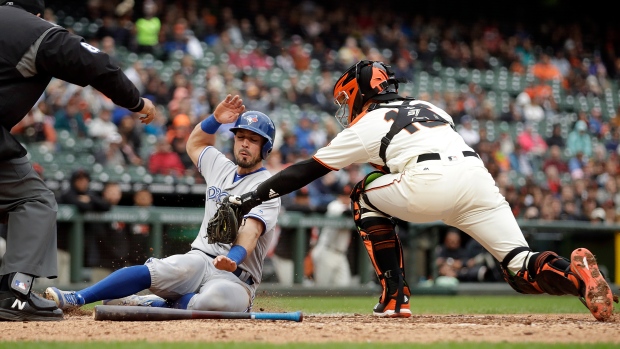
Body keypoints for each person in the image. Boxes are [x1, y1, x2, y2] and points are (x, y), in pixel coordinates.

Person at [227, 59, 615, 321]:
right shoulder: (428, 106)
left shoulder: (365, 125)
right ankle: (576, 278)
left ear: (360, 92)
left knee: (362, 196)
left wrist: (252, 196)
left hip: (429, 180)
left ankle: (394, 297)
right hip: (476, 177)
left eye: (347, 98)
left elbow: (304, 172)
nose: (346, 106)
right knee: (518, 266)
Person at [45, 95, 281, 314]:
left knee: (212, 302)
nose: (244, 144)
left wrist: (234, 258)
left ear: (266, 147)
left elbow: (251, 231)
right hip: (200, 259)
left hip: (237, 277)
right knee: (154, 272)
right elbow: (195, 143)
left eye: (253, 140)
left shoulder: (267, 186)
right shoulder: (220, 166)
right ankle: (76, 298)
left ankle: (153, 303)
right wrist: (215, 119)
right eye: (240, 137)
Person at [0, 0, 155, 322]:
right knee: (34, 201)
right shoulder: (36, 30)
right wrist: (136, 102)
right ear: (38, 12)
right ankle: (15, 294)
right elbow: (96, 64)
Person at [310, 183, 353, 287]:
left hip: (341, 254)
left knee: (345, 287)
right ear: (339, 196)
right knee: (322, 287)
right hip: (327, 251)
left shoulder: (351, 206)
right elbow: (346, 213)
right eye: (344, 196)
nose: (346, 199)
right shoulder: (334, 205)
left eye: (349, 196)